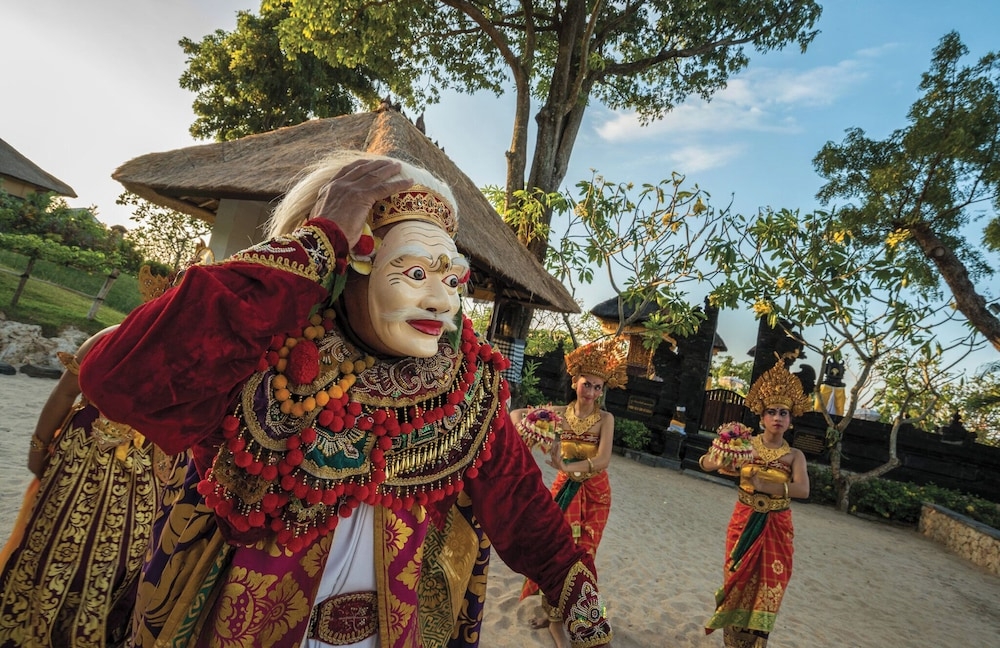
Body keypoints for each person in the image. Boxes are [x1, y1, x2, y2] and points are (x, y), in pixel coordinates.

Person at [78, 151, 613, 648]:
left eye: (451, 277)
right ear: (351, 261)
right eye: (416, 272)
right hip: (244, 621)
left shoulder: (465, 383)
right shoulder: (266, 350)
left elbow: (518, 500)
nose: (441, 298)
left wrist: (574, 593)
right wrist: (318, 241)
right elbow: (119, 380)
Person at [0, 266, 187, 648]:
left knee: (79, 545)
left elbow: (63, 397)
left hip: (96, 462)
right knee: (88, 546)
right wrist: (38, 449)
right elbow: (64, 396)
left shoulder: (115, 339)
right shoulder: (180, 358)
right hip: (112, 466)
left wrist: (38, 451)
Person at [510, 337, 627, 648]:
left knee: (585, 555)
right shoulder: (559, 413)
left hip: (595, 494)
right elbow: (517, 415)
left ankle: (586, 618)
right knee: (554, 549)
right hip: (564, 488)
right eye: (586, 384)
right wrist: (532, 431)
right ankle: (552, 619)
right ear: (575, 381)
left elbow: (602, 461)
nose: (591, 392)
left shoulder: (605, 419)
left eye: (598, 387)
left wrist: (566, 464)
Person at [698, 359, 812, 648]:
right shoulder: (744, 444)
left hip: (777, 525)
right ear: (761, 417)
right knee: (737, 579)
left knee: (771, 585)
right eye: (771, 412)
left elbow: (803, 489)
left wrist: (768, 485)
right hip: (745, 520)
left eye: (783, 413)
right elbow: (709, 464)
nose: (777, 418)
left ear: (791, 419)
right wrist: (720, 453)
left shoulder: (795, 456)